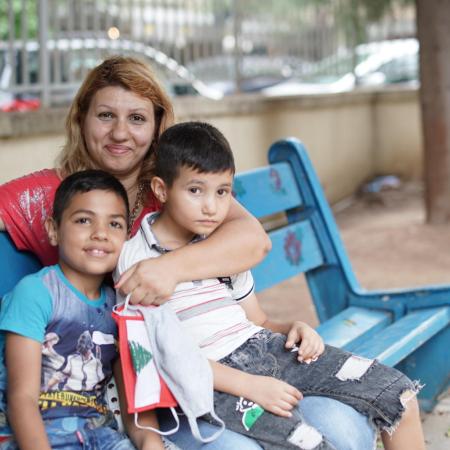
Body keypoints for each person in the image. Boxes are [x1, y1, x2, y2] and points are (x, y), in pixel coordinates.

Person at [0, 56, 375, 449]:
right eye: (106, 115)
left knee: (344, 426)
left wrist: (168, 268)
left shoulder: (178, 192)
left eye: (138, 119)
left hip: (220, 364)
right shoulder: (52, 194)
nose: (120, 133)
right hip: (141, 390)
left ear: (158, 125)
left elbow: (254, 240)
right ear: (81, 118)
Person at [115, 121, 426, 450]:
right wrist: (250, 386)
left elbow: (258, 322)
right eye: (196, 190)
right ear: (162, 190)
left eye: (222, 192)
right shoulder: (137, 261)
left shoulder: (220, 245)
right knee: (305, 443)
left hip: (265, 349)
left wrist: (295, 327)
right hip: (213, 381)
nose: (211, 206)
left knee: (398, 395)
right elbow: (166, 358)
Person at [0, 170, 174, 450]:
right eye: (83, 220)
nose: (100, 234)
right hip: (40, 438)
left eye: (114, 224)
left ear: (126, 237)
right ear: (53, 230)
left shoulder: (120, 306)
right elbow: (22, 398)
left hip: (100, 436)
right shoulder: (36, 293)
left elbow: (135, 403)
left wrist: (150, 444)